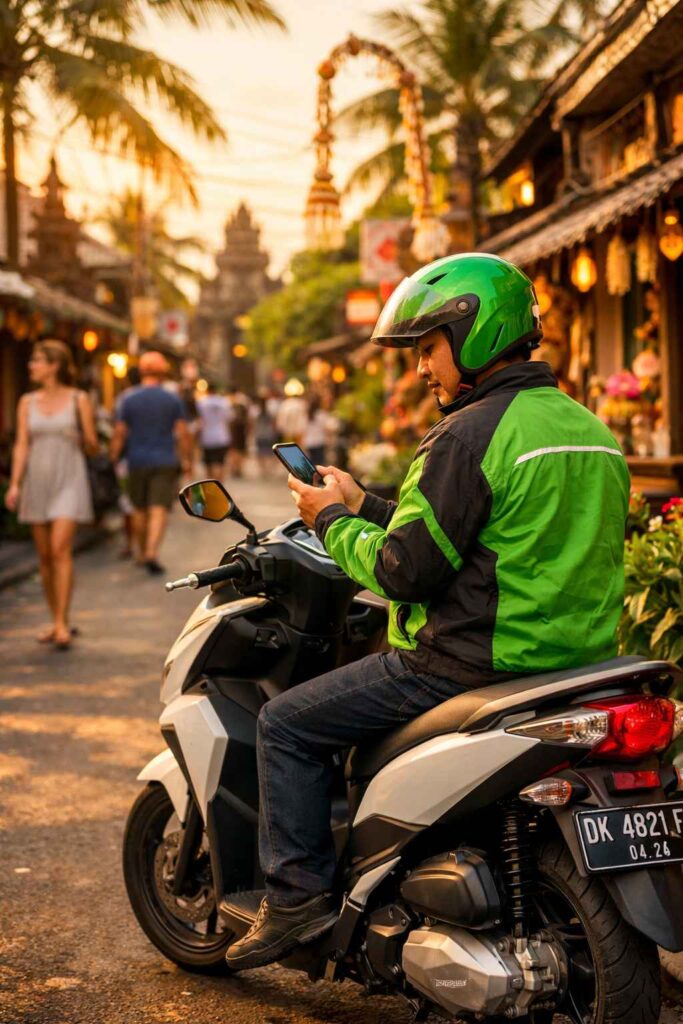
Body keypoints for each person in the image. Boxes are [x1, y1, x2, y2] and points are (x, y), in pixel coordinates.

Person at [226, 253, 631, 970]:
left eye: (427, 348)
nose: (420, 368)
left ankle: (294, 902)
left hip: (462, 662)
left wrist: (326, 522)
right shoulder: (588, 429)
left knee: (284, 722)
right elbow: (478, 536)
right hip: (577, 664)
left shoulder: (467, 434)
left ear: (474, 334)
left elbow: (403, 572)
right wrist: (360, 503)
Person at [5, 339, 98, 650]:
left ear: (55, 365)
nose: (31, 365)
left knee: (60, 550)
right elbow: (21, 445)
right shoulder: (26, 402)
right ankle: (56, 617)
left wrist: (82, 437)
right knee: (44, 556)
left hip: (69, 479)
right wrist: (15, 483)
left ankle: (61, 623)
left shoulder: (78, 399)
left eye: (38, 360)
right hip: (37, 480)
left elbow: (94, 446)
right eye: (31, 360)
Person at [110, 351, 191, 575]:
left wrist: (113, 457)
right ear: (163, 372)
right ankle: (152, 552)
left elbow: (120, 432)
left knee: (139, 508)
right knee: (159, 509)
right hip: (165, 460)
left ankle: (142, 550)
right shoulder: (172, 399)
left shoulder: (127, 398)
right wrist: (187, 460)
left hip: (136, 460)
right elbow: (183, 433)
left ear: (142, 371)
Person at [197, 382, 232, 479]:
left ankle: (210, 485)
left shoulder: (201, 402)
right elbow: (229, 419)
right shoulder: (224, 402)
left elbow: (199, 420)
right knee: (220, 463)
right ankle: (219, 485)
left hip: (207, 437)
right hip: (222, 436)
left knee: (208, 464)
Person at [226, 386, 249, 478]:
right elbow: (248, 418)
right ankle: (238, 468)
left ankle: (234, 468)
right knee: (240, 450)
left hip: (232, 430)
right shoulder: (244, 402)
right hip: (241, 430)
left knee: (233, 450)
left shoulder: (227, 402)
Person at [302, 394, 331, 467]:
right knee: (320, 464)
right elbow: (327, 428)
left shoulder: (306, 414)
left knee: (311, 463)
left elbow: (302, 429)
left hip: (309, 442)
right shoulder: (322, 414)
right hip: (319, 442)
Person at [252, 395, 278, 476]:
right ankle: (269, 469)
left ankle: (263, 469)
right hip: (268, 434)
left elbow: (252, 423)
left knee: (260, 453)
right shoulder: (270, 410)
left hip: (259, 434)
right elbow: (273, 423)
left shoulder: (255, 411)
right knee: (269, 452)